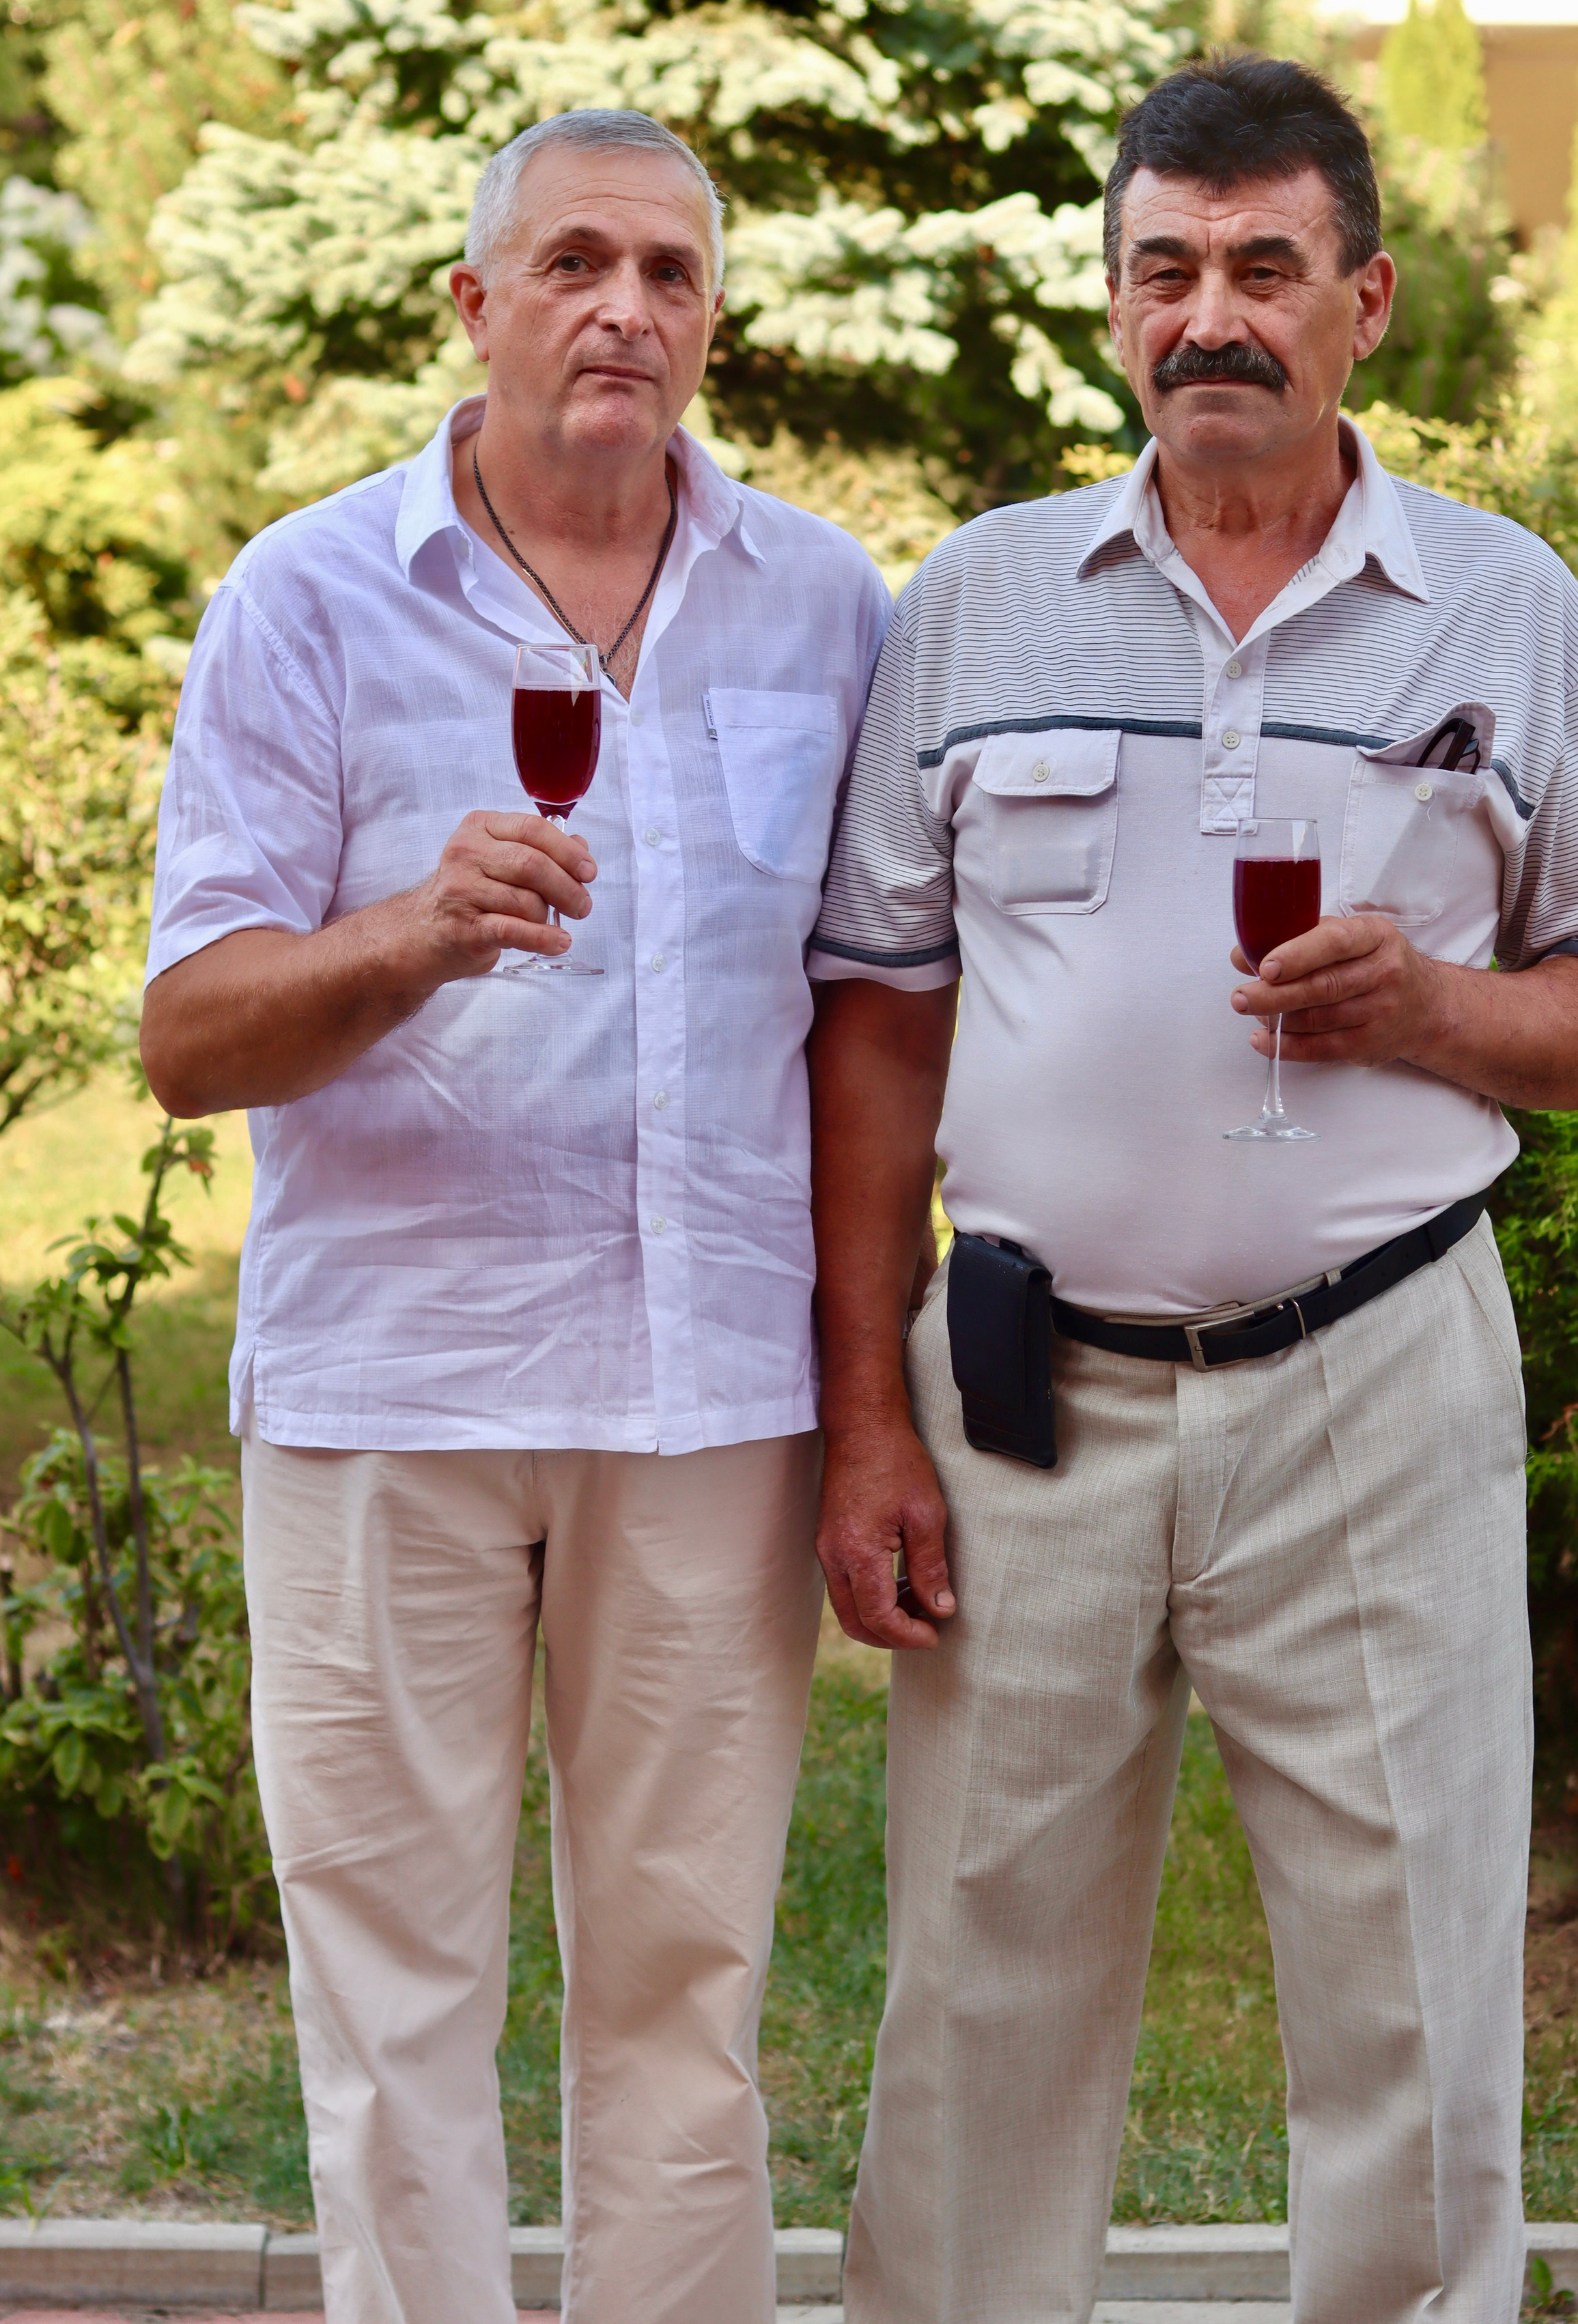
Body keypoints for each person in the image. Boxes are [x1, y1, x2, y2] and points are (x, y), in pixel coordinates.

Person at [806, 54, 1578, 2324]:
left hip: (1376, 1373)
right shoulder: (981, 603)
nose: (1216, 314)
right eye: (1168, 269)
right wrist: (870, 1420)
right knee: (978, 1985)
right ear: (1113, 305)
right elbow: (880, 1023)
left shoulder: (1507, 613)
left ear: (1365, 300)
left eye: (1266, 269)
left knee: (1410, 1985)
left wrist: (1438, 1013)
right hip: (1027, 1391)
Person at [140, 108, 888, 2324]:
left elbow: (876, 1021)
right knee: (393, 2004)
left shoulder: (831, 605)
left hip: (708, 1402)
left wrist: (871, 1398)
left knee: (689, 1996)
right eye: (574, 263)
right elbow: (188, 1034)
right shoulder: (308, 596)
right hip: (398, 1391)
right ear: (475, 308)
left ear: (711, 323)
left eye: (668, 273)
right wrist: (408, 935)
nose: (624, 310)